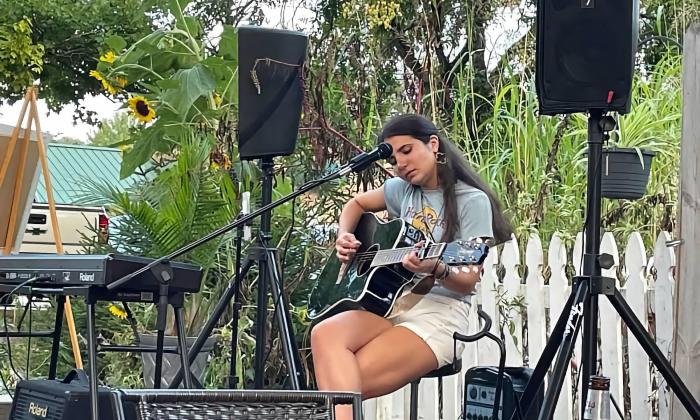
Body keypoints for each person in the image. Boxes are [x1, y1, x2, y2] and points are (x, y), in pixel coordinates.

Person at [310, 113, 512, 419]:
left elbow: (468, 280)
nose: (400, 164)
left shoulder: (472, 200)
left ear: (432, 144)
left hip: (440, 314)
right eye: (394, 159)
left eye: (407, 151)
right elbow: (356, 205)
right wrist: (345, 236)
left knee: (342, 386)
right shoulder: (400, 190)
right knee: (324, 335)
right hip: (394, 305)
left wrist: (437, 268)